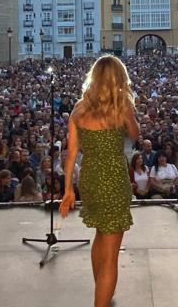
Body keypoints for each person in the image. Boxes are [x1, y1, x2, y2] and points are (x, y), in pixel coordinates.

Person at [59, 55, 140, 307]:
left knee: (99, 235)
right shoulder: (121, 106)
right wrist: (129, 111)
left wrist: (68, 191)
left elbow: (71, 153)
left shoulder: (79, 108)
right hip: (114, 178)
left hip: (90, 179)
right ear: (118, 78)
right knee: (111, 257)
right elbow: (135, 136)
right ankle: (102, 299)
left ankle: (101, 292)